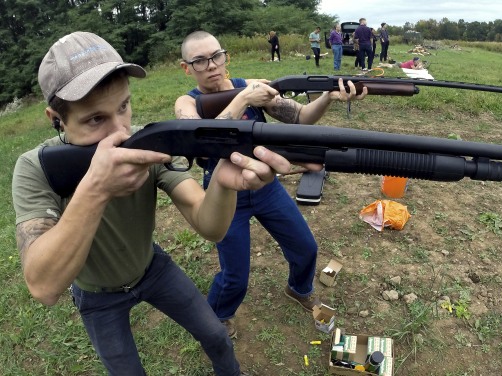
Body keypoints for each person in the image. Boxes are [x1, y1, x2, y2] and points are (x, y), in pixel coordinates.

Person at [12, 31, 293, 376]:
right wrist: (95, 190)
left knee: (216, 335)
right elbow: (43, 286)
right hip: (96, 295)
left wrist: (222, 182)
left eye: (123, 107)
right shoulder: (36, 167)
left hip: (153, 268)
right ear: (55, 119)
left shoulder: (148, 146)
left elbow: (211, 226)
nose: (120, 132)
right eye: (95, 119)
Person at [174, 30, 368, 338]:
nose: (211, 65)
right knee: (235, 276)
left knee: (305, 247)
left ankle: (298, 289)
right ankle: (217, 317)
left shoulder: (250, 89)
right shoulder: (188, 102)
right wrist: (244, 99)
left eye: (216, 56)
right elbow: (200, 142)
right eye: (200, 61)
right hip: (224, 196)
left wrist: (328, 96)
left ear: (226, 57)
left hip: (266, 187)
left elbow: (301, 118)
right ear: (187, 67)